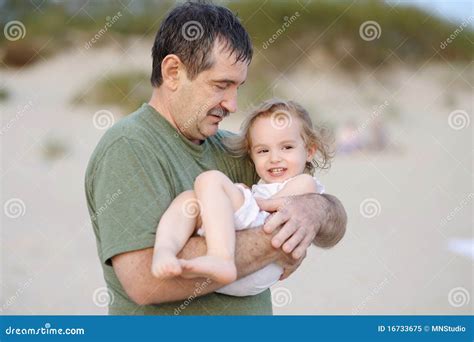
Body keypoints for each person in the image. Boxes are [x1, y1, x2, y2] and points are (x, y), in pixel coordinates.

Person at [85, 1, 347, 315]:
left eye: (238, 87)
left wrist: (315, 210)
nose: (233, 105)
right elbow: (145, 280)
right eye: (221, 85)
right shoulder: (129, 147)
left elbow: (334, 225)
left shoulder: (234, 148)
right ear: (173, 72)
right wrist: (279, 238)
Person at [152, 99, 333, 297]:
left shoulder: (305, 182)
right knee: (188, 201)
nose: (274, 158)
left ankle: (220, 257)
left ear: (309, 151)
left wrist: (242, 195)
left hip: (263, 261)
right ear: (251, 155)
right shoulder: (264, 186)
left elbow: (273, 206)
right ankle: (165, 251)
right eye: (263, 151)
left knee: (209, 179)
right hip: (243, 270)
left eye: (287, 147)